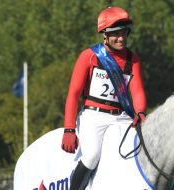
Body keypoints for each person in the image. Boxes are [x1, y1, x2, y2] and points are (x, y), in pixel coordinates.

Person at [61, 6, 147, 190]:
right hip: (94, 117)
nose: (121, 38)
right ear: (105, 35)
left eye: (124, 33)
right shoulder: (89, 56)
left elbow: (138, 91)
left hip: (122, 116)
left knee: (140, 149)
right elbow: (73, 94)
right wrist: (69, 129)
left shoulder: (133, 59)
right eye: (116, 34)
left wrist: (140, 112)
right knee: (91, 156)